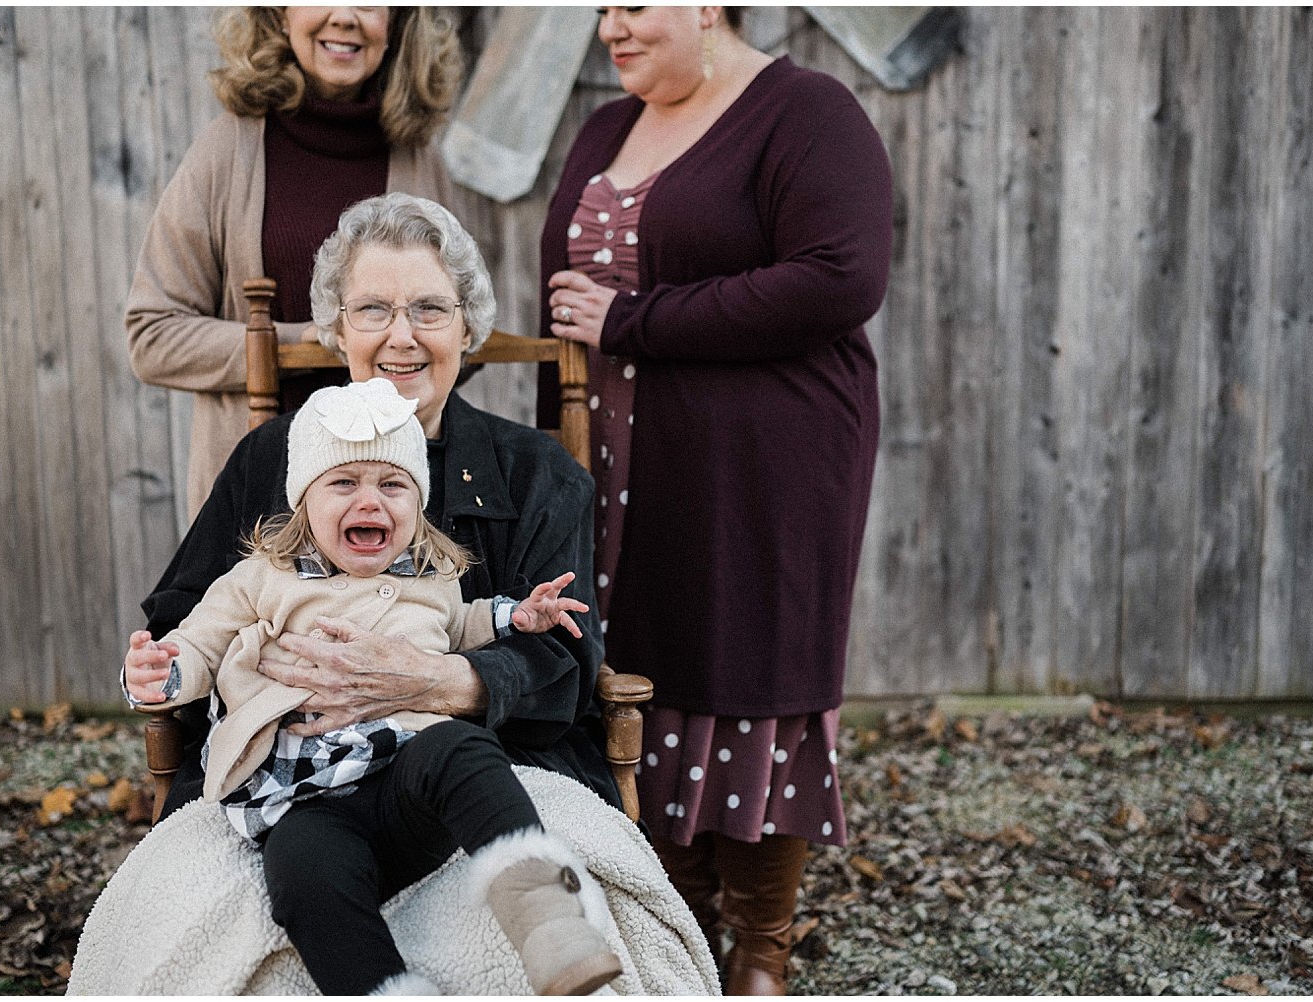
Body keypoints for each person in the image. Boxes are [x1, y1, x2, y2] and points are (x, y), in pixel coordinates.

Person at [539, 6, 893, 995]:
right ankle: (678, 925)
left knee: (750, 674)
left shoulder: (807, 113)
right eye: (600, 8)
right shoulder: (607, 128)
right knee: (643, 670)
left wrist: (635, 320)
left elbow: (841, 276)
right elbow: (566, 303)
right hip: (612, 451)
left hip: (764, 461)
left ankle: (760, 950)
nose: (610, 26)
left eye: (631, 4)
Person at [122, 377, 620, 996]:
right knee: (302, 877)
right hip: (306, 801)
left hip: (410, 781)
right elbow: (198, 642)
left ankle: (549, 922)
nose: (370, 501)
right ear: (304, 503)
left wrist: (516, 616)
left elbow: (464, 624)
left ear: (418, 504)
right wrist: (159, 671)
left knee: (463, 752)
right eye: (343, 483)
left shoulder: (435, 579)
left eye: (392, 485)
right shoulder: (261, 579)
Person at [126, 6, 465, 520]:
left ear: (398, 22)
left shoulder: (419, 159)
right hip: (261, 507)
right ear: (280, 15)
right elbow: (152, 336)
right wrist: (301, 340)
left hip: (391, 512)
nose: (345, 16)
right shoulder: (227, 151)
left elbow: (462, 329)